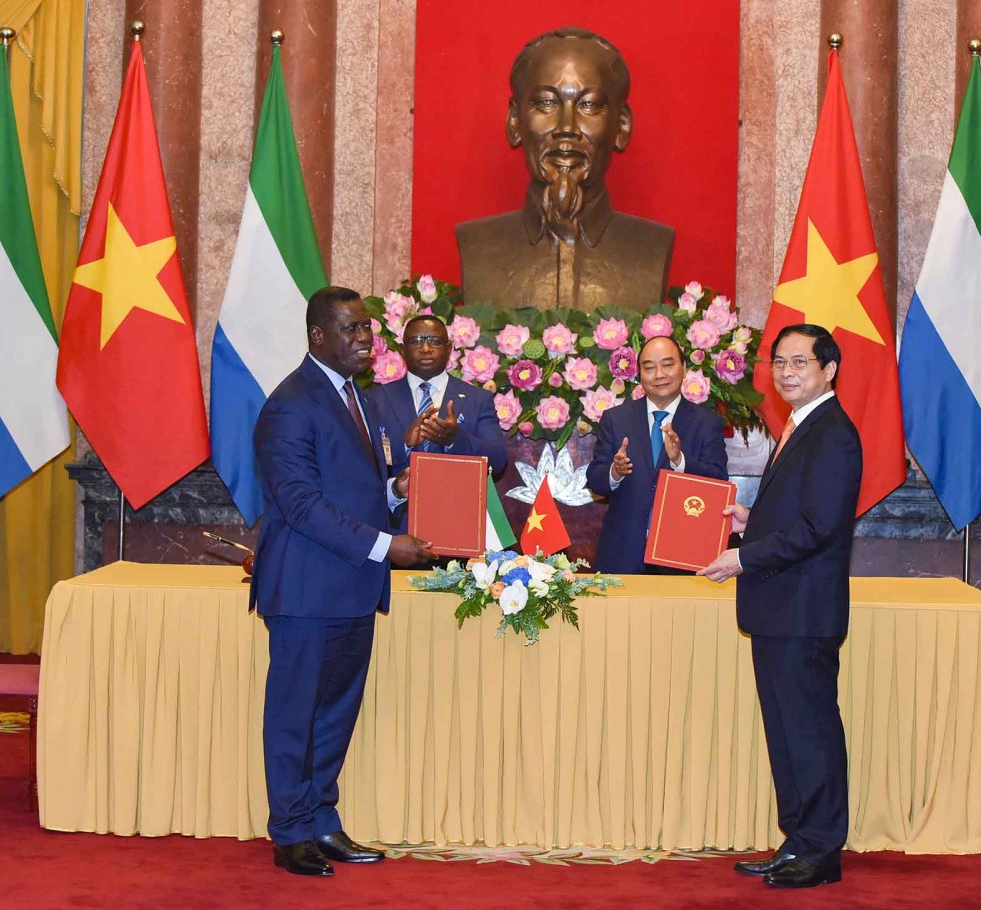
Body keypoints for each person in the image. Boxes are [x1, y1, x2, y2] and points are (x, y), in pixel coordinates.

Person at [252, 286, 434, 877]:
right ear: (318, 337)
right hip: (307, 591)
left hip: (351, 588)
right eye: (352, 329)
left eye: (367, 329)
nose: (365, 339)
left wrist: (393, 493)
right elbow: (301, 505)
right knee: (295, 714)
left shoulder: (355, 397)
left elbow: (348, 487)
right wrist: (388, 546)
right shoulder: (290, 404)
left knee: (334, 714)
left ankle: (322, 821)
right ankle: (290, 832)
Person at [698, 324, 862, 890]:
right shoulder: (802, 425)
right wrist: (752, 524)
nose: (787, 372)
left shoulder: (833, 433)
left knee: (809, 732)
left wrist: (743, 559)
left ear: (829, 368)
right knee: (787, 734)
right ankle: (797, 841)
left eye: (800, 362)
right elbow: (797, 515)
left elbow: (820, 526)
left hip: (803, 612)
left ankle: (821, 852)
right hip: (780, 609)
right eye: (780, 363)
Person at [455, 27, 674, 311]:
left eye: (589, 105)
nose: (566, 128)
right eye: (547, 103)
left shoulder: (651, 247)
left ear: (621, 126)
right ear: (514, 122)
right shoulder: (478, 246)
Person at [587, 335, 728, 574]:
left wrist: (679, 461)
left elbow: (718, 481)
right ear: (640, 375)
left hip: (681, 556)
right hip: (623, 554)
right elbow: (595, 480)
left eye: (668, 364)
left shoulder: (707, 423)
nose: (659, 374)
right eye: (649, 367)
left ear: (684, 368)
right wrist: (615, 471)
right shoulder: (616, 419)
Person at [369, 314, 508, 532]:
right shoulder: (375, 399)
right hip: (396, 531)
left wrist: (455, 439)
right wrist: (405, 445)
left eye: (434, 341)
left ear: (449, 347)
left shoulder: (477, 399)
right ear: (403, 349)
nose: (425, 348)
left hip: (459, 527)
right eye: (415, 341)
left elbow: (498, 460)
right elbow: (363, 465)